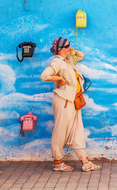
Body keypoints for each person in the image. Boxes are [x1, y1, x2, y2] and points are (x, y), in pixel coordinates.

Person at [40, 37, 101, 172]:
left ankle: (85, 162)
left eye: (70, 45)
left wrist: (72, 51)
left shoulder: (68, 60)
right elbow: (44, 76)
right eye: (67, 46)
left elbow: (81, 55)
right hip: (64, 101)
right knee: (60, 132)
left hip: (73, 101)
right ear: (60, 49)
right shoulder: (57, 62)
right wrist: (59, 78)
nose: (70, 47)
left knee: (77, 131)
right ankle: (58, 163)